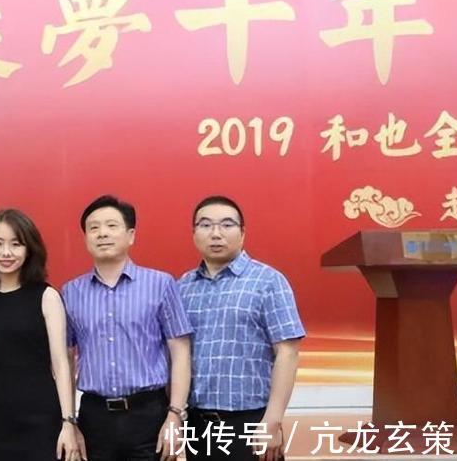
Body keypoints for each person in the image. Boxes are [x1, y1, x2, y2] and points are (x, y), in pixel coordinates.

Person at [62, 195, 192, 461]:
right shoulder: (71, 292)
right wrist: (69, 421)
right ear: (86, 237)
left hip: (149, 414)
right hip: (94, 417)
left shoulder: (160, 284)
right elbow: (65, 359)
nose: (102, 233)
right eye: (94, 228)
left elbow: (180, 352)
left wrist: (175, 414)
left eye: (112, 225)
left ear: (131, 235)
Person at [178, 196, 305, 461]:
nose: (216, 233)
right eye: (205, 225)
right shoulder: (183, 287)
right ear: (194, 233)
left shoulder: (268, 281)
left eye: (227, 225)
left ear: (243, 233)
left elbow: (288, 353)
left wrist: (272, 420)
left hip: (250, 422)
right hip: (197, 423)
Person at [0, 209, 82, 461]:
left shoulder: (47, 297)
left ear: (29, 249)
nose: (6, 252)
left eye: (16, 244)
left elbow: (61, 364)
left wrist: (68, 422)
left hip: (41, 417)